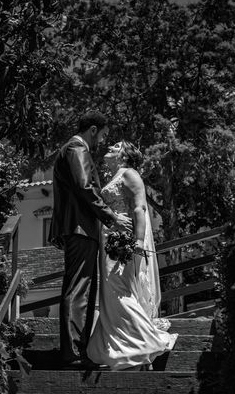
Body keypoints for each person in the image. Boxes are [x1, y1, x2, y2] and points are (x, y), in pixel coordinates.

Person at [48, 111, 133, 367]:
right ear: (93, 129)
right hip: (80, 228)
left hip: (80, 229)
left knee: (81, 288)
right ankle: (73, 353)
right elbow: (85, 187)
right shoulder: (77, 148)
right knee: (79, 289)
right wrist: (111, 217)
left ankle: (78, 349)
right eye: (103, 134)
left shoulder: (72, 149)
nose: (102, 141)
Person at [86, 140, 178, 370]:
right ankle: (118, 343)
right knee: (110, 292)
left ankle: (143, 342)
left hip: (121, 242)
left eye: (116, 146)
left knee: (119, 290)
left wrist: (137, 240)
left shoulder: (130, 174)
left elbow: (140, 208)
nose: (110, 147)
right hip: (109, 239)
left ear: (124, 156)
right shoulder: (116, 176)